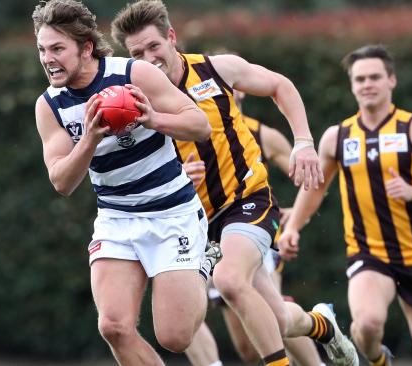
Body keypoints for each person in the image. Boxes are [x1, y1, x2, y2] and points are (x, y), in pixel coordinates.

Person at [111, 2, 358, 366]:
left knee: (228, 279)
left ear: (171, 38)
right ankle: (322, 325)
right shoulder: (131, 100)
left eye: (154, 47)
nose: (149, 59)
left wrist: (304, 142)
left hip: (247, 201)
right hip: (191, 221)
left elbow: (279, 85)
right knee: (278, 320)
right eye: (137, 54)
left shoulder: (216, 69)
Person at [31, 1, 218, 365]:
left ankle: (204, 258)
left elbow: (199, 125)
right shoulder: (49, 105)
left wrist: (152, 118)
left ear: (86, 48)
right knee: (114, 327)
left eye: (57, 48)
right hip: (117, 218)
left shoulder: (134, 74)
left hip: (172, 214)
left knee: (175, 338)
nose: (47, 58)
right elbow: (62, 182)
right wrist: (89, 138)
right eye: (42, 49)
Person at [279, 44, 412, 366]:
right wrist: (292, 226)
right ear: (351, 85)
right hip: (368, 251)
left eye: (375, 77)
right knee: (365, 326)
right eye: (360, 78)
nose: (367, 84)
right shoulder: (338, 137)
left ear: (391, 80)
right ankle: (380, 361)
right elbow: (317, 187)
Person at [184, 87, 325, 366]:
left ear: (240, 91)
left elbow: (310, 178)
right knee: (247, 347)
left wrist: (295, 218)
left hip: (250, 221)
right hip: (203, 232)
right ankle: (318, 324)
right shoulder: (183, 130)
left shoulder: (263, 135)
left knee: (274, 322)